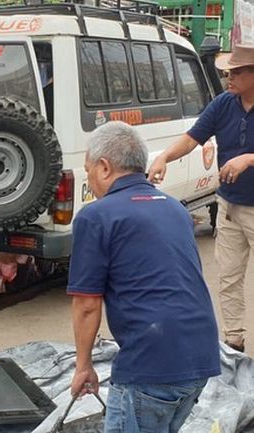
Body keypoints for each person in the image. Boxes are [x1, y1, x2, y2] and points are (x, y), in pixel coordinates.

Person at [69, 121, 221, 432]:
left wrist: (83, 366)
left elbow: (86, 304)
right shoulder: (176, 209)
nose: (90, 181)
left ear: (104, 167)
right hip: (201, 358)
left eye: (89, 172)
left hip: (151, 366)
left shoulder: (96, 217)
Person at [149, 43, 254, 353]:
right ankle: (234, 341)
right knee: (228, 277)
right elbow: (193, 137)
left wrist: (248, 158)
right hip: (230, 206)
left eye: (235, 72)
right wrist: (165, 157)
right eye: (227, 72)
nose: (228, 78)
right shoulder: (223, 104)